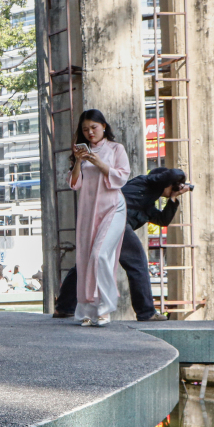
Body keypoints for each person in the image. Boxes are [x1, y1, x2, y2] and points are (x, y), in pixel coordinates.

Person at [53, 166, 191, 321]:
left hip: (101, 222)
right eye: (173, 185)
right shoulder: (145, 182)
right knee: (137, 262)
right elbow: (172, 174)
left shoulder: (147, 203)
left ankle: (63, 308)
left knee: (85, 265)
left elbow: (162, 220)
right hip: (113, 220)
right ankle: (146, 312)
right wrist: (180, 178)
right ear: (166, 182)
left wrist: (173, 198)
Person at [68, 109, 131, 326]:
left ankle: (107, 305)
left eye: (94, 127)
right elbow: (75, 183)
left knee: (100, 254)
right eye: (85, 129)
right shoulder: (83, 153)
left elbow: (122, 176)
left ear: (104, 126)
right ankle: (88, 310)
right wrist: (78, 161)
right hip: (88, 210)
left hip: (113, 207)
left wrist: (98, 162)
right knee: (85, 259)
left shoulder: (116, 148)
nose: (90, 132)